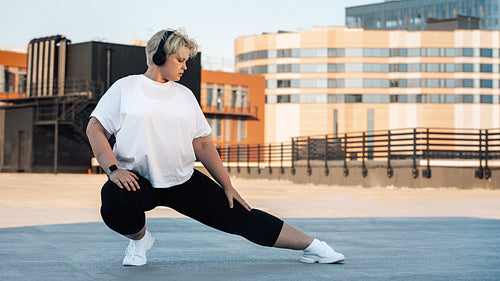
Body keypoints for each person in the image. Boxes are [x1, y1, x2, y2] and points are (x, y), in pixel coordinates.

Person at [86, 28, 345, 266]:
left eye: (187, 60)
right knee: (114, 199)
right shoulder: (126, 88)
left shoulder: (184, 96)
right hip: (138, 180)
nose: (185, 66)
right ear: (159, 57)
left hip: (181, 181)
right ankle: (140, 240)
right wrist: (113, 169)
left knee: (242, 216)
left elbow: (202, 143)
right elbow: (95, 127)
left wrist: (227, 186)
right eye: (180, 60)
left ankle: (313, 246)